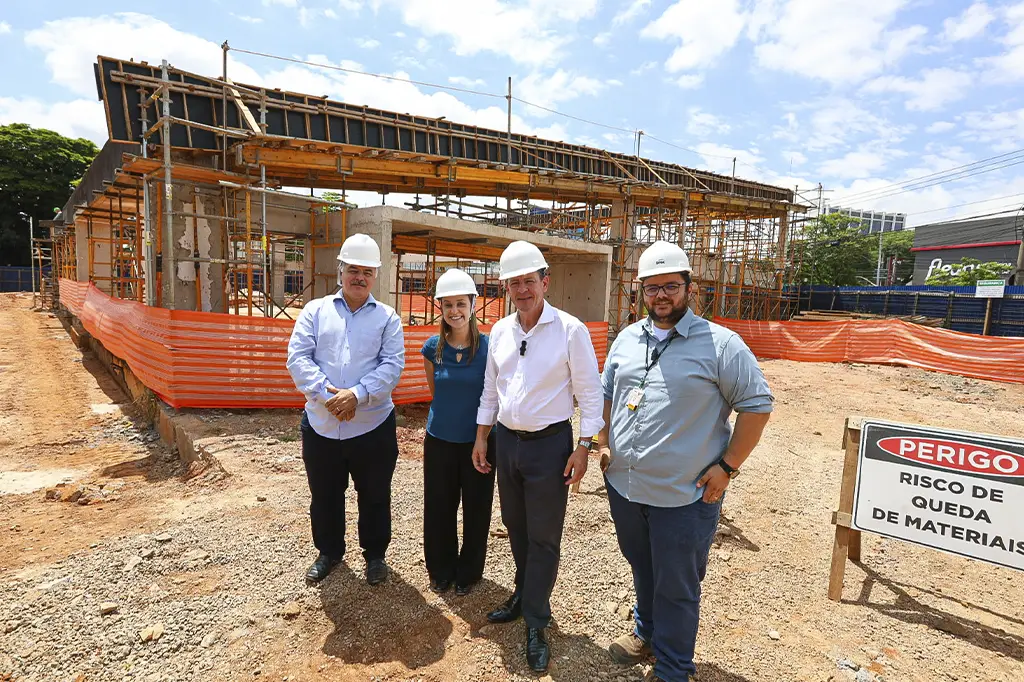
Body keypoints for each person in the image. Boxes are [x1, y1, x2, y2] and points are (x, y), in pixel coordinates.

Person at [597, 241, 773, 682]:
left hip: (685, 494)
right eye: (652, 288)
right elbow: (605, 396)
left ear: (689, 288)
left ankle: (673, 668)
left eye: (671, 286)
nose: (661, 296)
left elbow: (757, 406)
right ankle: (647, 631)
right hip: (626, 486)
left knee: (677, 583)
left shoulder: (721, 345)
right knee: (642, 564)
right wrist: (602, 440)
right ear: (641, 291)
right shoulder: (626, 339)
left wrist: (728, 467)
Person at [473, 240, 605, 673]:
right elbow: (491, 390)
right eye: (514, 283)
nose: (522, 290)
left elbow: (590, 393)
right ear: (507, 287)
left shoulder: (570, 330)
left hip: (551, 445)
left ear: (545, 281)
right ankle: (523, 591)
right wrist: (482, 437)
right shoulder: (500, 334)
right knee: (515, 525)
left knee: (544, 536)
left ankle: (536, 620)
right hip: (507, 443)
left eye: (529, 281)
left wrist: (584, 447)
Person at [286, 233, 405, 587]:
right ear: (340, 272)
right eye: (353, 270)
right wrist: (328, 396)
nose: (360, 278)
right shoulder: (315, 311)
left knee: (374, 495)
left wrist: (356, 394)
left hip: (372, 425)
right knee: (324, 494)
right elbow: (298, 358)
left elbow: (392, 365)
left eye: (367, 272)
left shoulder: (387, 318)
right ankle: (329, 552)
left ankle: (375, 556)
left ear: (375, 277)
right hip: (322, 424)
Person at [420, 268, 496, 596]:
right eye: (448, 304)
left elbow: (493, 396)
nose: (455, 311)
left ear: (473, 305)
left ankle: (469, 572)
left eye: (460, 303)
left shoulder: (490, 349)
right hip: (439, 441)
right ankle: (440, 570)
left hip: (478, 442)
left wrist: (483, 435)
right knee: (439, 507)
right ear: (440, 308)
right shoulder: (433, 348)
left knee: (477, 509)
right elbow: (436, 392)